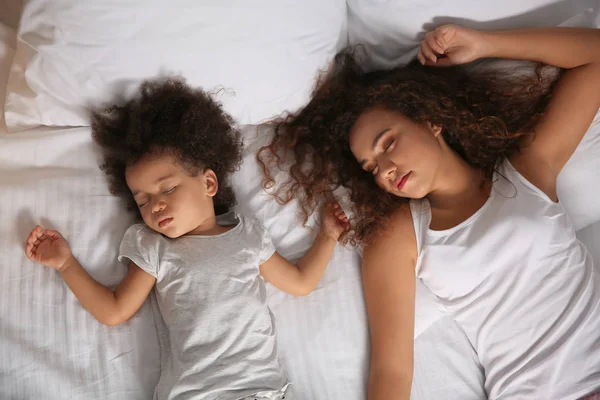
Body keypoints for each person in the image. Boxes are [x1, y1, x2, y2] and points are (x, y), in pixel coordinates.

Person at [259, 25, 600, 399]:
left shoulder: (526, 171)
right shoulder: (399, 234)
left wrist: (486, 44)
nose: (385, 168)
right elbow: (391, 370)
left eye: (388, 143)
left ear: (429, 120)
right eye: (372, 168)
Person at [24, 79, 349, 400]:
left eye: (167, 189)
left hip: (262, 390)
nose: (156, 205)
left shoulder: (246, 235)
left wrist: (328, 236)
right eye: (143, 200)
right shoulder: (154, 247)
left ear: (208, 183)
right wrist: (66, 264)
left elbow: (301, 282)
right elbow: (114, 311)